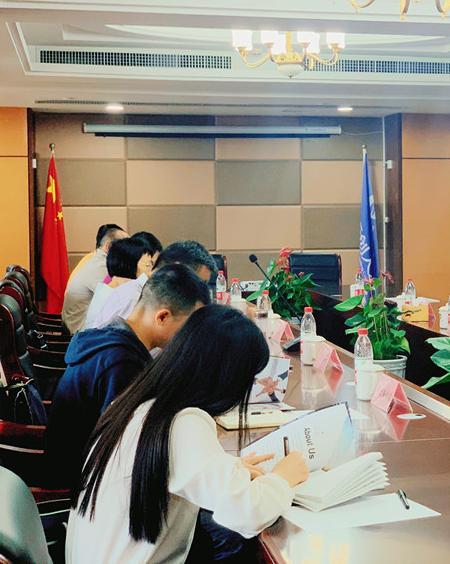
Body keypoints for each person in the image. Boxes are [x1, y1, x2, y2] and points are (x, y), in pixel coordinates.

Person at [66, 306, 309, 564]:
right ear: (226, 379)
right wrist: (283, 477)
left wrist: (228, 469)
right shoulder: (182, 422)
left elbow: (173, 468)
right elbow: (247, 512)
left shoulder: (137, 403)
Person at [46, 264, 211, 489]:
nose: (189, 337)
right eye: (188, 328)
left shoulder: (114, 339)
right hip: (84, 486)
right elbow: (128, 448)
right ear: (162, 317)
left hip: (90, 470)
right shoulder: (120, 362)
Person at [91, 240, 216, 330]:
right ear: (177, 269)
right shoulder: (131, 297)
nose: (201, 292)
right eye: (199, 283)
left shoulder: (157, 294)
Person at [62, 224, 129, 333]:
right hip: (79, 332)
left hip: (81, 327)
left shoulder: (96, 259)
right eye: (126, 246)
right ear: (108, 246)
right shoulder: (101, 266)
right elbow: (117, 300)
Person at [83, 237, 155, 331]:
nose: (150, 272)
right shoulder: (125, 296)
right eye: (148, 266)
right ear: (130, 264)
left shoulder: (108, 289)